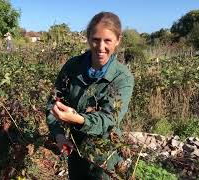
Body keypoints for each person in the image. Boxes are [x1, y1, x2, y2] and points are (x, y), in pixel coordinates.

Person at [46, 11, 134, 179]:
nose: (101, 47)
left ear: (118, 41)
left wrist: (78, 119)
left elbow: (109, 119)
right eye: (96, 40)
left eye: (107, 40)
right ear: (88, 38)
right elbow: (53, 102)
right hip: (75, 150)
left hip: (105, 157)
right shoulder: (73, 66)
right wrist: (58, 135)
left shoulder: (122, 77)